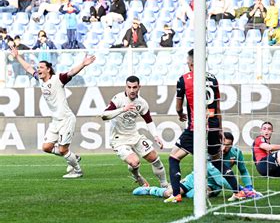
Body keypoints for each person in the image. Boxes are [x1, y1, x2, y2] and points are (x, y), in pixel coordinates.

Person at [167, 49, 244, 203]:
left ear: (191, 64)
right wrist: (220, 129)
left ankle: (176, 194)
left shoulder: (184, 79)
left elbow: (178, 105)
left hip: (197, 127)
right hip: (214, 125)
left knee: (173, 157)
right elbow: (218, 106)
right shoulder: (213, 79)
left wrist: (180, 114)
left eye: (188, 64)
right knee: (217, 160)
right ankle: (238, 192)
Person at [9, 46, 96, 178]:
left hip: (66, 119)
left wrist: (83, 64)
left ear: (48, 69)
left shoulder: (57, 79)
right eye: (38, 68)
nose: (38, 70)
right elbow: (28, 68)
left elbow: (71, 72)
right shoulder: (40, 80)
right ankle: (74, 157)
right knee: (46, 147)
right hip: (55, 121)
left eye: (41, 67)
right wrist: (17, 56)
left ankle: (77, 171)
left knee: (62, 149)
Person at [101, 75, 168, 188]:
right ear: (126, 87)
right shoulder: (118, 99)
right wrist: (123, 109)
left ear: (139, 87)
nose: (132, 90)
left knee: (154, 158)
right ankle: (137, 176)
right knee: (134, 162)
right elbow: (104, 116)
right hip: (118, 139)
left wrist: (156, 136)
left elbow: (149, 121)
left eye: (134, 87)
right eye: (129, 87)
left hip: (134, 136)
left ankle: (165, 185)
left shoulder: (142, 103)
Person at [132, 162, 261, 200]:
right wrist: (242, 190)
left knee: (201, 196)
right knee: (170, 194)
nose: (224, 148)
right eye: (223, 145)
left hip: (211, 185)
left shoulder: (236, 153)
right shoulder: (212, 156)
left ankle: (188, 192)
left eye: (227, 145)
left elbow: (243, 170)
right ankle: (150, 190)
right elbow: (220, 178)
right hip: (194, 179)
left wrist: (249, 187)